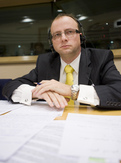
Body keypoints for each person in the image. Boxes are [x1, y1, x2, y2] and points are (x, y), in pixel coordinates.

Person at [2, 13, 121, 109]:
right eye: (57, 34)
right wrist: (35, 93)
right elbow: (10, 86)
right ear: (52, 42)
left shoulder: (101, 58)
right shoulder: (45, 62)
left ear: (81, 36)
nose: (63, 38)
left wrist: (71, 91)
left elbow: (118, 90)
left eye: (69, 32)